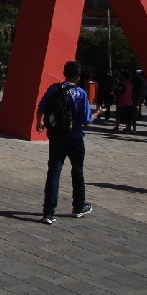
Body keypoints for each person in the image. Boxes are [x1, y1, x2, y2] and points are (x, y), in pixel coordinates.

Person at [36, 59, 95, 224]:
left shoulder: (54, 88)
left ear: (64, 73)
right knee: (77, 171)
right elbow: (86, 119)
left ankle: (48, 212)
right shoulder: (81, 93)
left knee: (54, 172)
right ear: (78, 76)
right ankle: (78, 206)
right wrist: (96, 115)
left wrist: (39, 122)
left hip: (56, 136)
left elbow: (41, 107)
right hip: (75, 137)